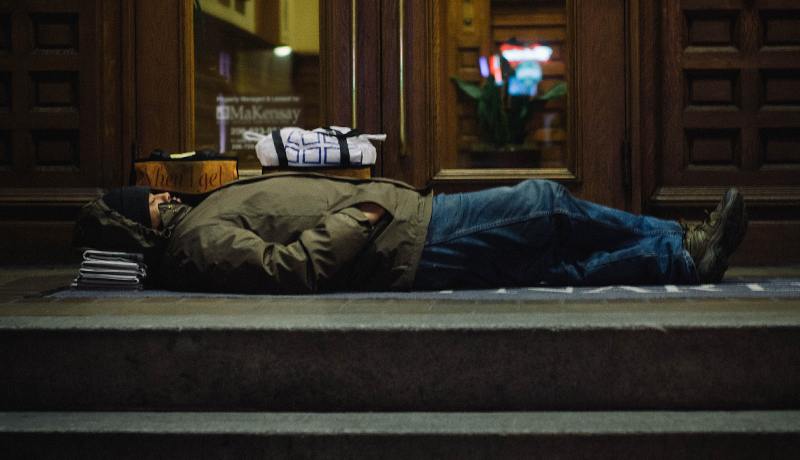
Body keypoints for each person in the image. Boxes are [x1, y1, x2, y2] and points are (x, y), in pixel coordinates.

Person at [72, 173, 748, 294]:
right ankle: (682, 237)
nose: (161, 195)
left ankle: (687, 263)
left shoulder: (198, 222)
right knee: (545, 207)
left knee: (547, 267)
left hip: (403, 233)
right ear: (142, 225)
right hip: (402, 237)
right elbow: (289, 271)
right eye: (150, 202)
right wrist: (362, 215)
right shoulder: (194, 244)